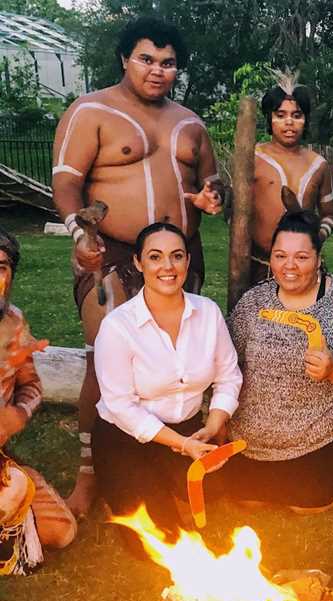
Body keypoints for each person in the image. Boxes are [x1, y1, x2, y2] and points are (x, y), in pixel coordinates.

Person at [52, 17, 224, 516]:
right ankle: (90, 477)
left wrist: (213, 196)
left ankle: (168, 463)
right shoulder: (91, 111)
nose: (157, 70)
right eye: (146, 59)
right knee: (102, 361)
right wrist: (79, 232)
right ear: (124, 59)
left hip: (180, 254)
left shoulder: (190, 121)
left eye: (168, 63)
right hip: (114, 254)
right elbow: (66, 182)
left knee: (178, 359)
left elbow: (214, 182)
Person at [222, 211, 333, 510]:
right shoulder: (253, 302)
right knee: (245, 501)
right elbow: (228, 362)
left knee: (309, 502)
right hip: (255, 434)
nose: (289, 266)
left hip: (319, 431)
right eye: (280, 256)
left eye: (302, 257)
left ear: (318, 259)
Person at [93, 223, 241, 533]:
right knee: (160, 535)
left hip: (187, 429)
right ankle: (122, 485)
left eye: (176, 256)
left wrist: (212, 425)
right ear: (138, 263)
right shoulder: (118, 326)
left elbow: (228, 376)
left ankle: (164, 485)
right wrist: (182, 445)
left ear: (188, 261)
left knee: (215, 493)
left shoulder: (208, 313)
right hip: (125, 437)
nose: (167, 267)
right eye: (155, 257)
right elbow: (120, 406)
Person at [0, 230, 76, 575]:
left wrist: (19, 413)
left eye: (1, 267)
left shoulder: (13, 322)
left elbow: (31, 384)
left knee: (61, 532)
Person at [251, 81, 333, 284]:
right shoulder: (252, 158)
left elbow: (330, 215)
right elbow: (237, 212)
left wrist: (316, 237)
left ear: (305, 120)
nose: (289, 122)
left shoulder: (319, 165)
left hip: (304, 270)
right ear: (269, 119)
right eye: (280, 115)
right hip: (257, 266)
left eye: (297, 115)